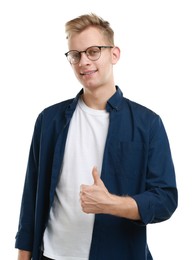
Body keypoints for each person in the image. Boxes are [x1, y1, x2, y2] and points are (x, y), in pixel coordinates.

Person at [15, 13, 178, 260]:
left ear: (114, 54)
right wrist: (23, 255)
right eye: (75, 55)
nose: (83, 62)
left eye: (93, 51)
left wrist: (110, 204)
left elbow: (165, 199)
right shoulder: (49, 121)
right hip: (50, 255)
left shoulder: (148, 123)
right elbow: (31, 198)